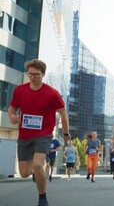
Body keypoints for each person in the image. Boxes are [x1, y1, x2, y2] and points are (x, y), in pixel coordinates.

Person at [8, 59, 70, 206]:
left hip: (44, 134)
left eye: (36, 74)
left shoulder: (52, 93)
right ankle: (38, 173)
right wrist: (12, 116)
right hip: (24, 135)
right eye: (30, 74)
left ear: (43, 74)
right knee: (24, 173)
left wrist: (66, 135)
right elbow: (12, 108)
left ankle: (42, 198)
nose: (32, 77)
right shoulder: (20, 90)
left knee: (37, 165)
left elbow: (63, 114)